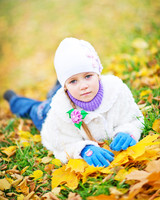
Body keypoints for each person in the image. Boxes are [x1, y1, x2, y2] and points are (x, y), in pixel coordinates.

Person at [4, 37, 144, 167]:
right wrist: (82, 149)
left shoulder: (116, 91)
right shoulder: (59, 110)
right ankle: (14, 99)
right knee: (33, 108)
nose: (83, 85)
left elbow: (132, 117)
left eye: (88, 76)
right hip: (47, 110)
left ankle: (59, 84)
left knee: (61, 88)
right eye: (73, 80)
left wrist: (128, 131)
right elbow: (57, 141)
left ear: (98, 74)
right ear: (66, 86)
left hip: (70, 91)